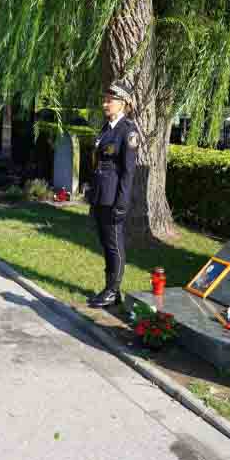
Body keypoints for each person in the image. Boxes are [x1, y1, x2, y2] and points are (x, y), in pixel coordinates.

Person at [87, 79, 139, 308]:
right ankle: (110, 289)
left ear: (123, 103)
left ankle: (113, 290)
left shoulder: (128, 131)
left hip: (114, 198)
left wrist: (122, 202)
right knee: (105, 243)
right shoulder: (106, 128)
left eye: (110, 100)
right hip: (101, 195)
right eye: (105, 100)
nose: (105, 104)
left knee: (114, 244)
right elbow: (99, 164)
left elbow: (128, 172)